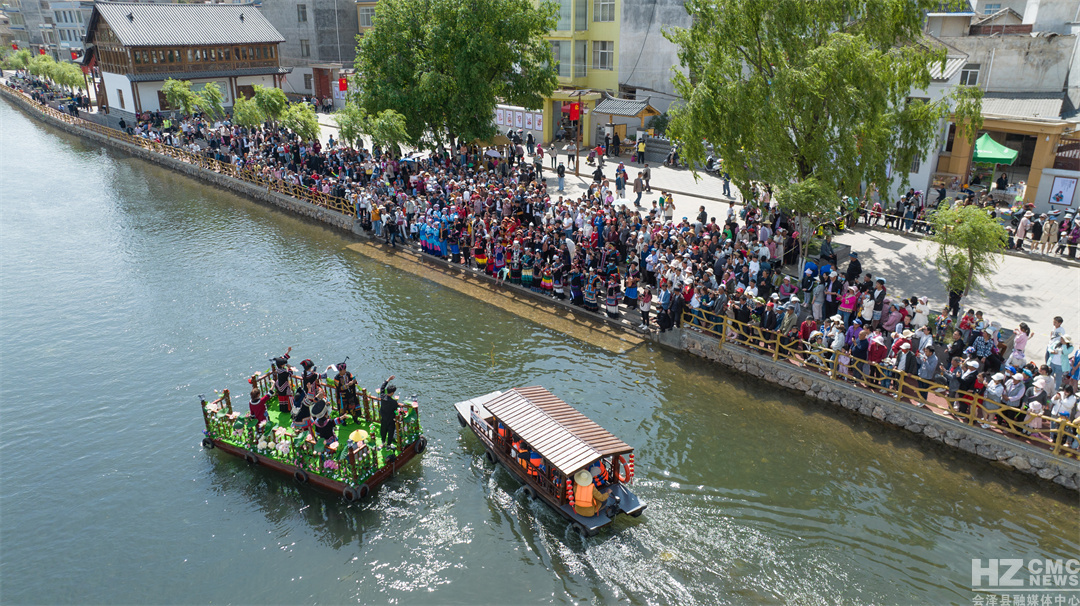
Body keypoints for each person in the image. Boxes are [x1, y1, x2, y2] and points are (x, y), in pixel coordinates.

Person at [378, 374, 400, 450]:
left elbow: (382, 387)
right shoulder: (393, 402)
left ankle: (383, 442)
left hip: (384, 418)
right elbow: (397, 408)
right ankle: (388, 445)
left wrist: (388, 379)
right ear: (393, 393)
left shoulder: (382, 396)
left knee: (383, 430)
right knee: (390, 432)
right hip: (390, 420)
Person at [271, 347, 294, 413]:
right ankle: (287, 409)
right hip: (284, 385)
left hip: (279, 384)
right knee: (285, 397)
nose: (285, 364)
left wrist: (288, 351)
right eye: (284, 364)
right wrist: (289, 368)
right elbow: (290, 374)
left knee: (281, 397)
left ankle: (283, 409)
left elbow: (283, 358)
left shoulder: (278, 369)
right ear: (281, 365)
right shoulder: (283, 372)